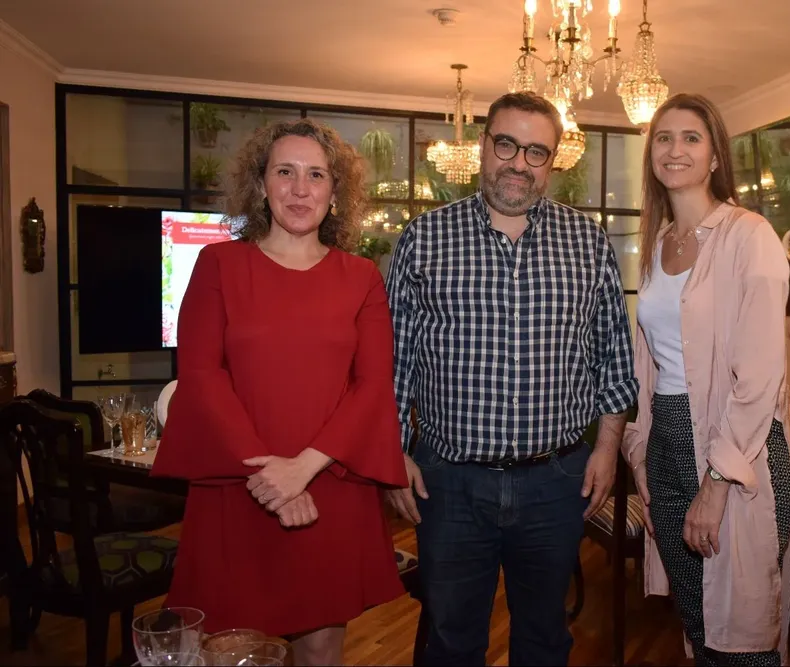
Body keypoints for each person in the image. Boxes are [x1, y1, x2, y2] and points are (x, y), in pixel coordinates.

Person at [385, 92, 638, 666]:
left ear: (552, 163)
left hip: (556, 482)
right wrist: (393, 451)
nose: (518, 163)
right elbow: (393, 362)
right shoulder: (424, 240)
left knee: (546, 638)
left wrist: (606, 448)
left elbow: (613, 360)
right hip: (447, 483)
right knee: (451, 639)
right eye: (506, 144)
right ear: (482, 146)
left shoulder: (588, 242)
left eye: (536, 152)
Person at [151, 118, 408, 666]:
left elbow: (372, 385)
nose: (300, 188)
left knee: (321, 649)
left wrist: (303, 469)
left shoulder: (362, 277)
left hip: (331, 485)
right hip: (238, 485)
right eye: (285, 172)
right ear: (261, 184)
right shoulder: (218, 264)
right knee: (232, 649)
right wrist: (272, 479)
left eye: (316, 175)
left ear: (335, 193)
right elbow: (201, 375)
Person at [621, 93, 790, 666]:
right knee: (700, 626)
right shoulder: (657, 244)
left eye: (691, 138)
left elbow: (759, 376)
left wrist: (717, 484)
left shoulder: (750, 237)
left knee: (742, 635)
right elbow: (651, 364)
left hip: (738, 453)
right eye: (665, 138)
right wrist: (643, 454)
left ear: (716, 155)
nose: (675, 150)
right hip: (670, 442)